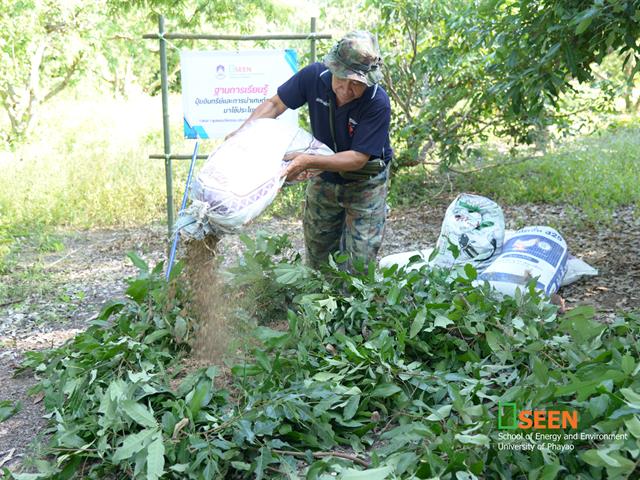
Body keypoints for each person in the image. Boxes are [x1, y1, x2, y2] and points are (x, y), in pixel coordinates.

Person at [233, 31, 393, 272]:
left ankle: (353, 305)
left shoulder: (377, 101)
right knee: (319, 255)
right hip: (324, 178)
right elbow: (275, 104)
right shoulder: (313, 77)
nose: (347, 89)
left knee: (360, 263)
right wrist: (244, 133)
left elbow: (358, 159)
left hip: (365, 184)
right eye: (342, 79)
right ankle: (322, 305)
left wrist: (306, 161)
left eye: (357, 84)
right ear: (332, 68)